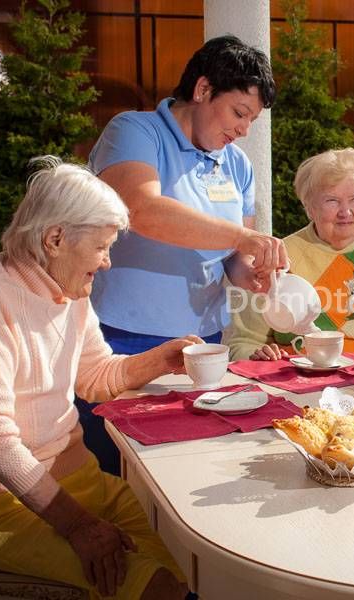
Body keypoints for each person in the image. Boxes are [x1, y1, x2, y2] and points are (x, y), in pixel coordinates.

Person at [0, 157, 194, 599]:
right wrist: (79, 525)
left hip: (82, 477)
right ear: (56, 239)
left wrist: (161, 360)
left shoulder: (70, 292)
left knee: (189, 562)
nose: (107, 263)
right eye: (102, 247)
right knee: (153, 585)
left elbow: (95, 376)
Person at [84, 35, 287, 473]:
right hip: (123, 339)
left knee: (188, 465)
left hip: (203, 343)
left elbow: (233, 255)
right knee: (117, 465)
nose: (244, 130)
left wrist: (250, 274)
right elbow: (140, 209)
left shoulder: (237, 164)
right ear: (202, 89)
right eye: (239, 113)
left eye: (252, 120)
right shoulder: (134, 131)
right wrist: (242, 238)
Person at [225, 148, 354, 360]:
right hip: (299, 373)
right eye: (332, 201)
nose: (345, 212)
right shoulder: (280, 256)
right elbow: (244, 343)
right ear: (309, 207)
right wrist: (258, 358)